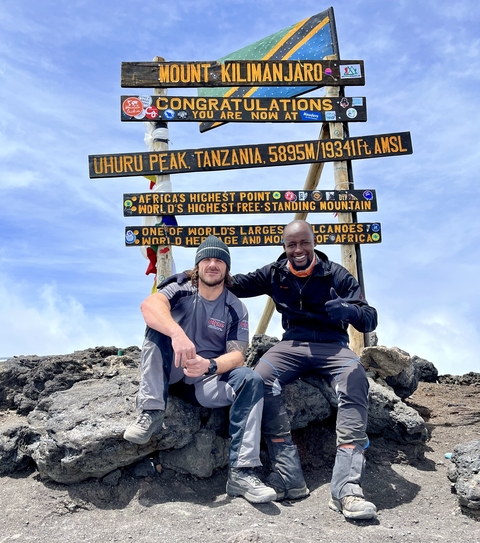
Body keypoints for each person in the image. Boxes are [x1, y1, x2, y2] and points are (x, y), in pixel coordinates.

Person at [228, 220, 378, 520]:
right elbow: (236, 284)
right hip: (293, 344)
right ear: (284, 247)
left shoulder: (335, 273)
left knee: (354, 377)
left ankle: (346, 489)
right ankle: (287, 477)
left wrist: (347, 311)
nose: (298, 250)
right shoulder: (275, 272)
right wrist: (194, 274)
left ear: (313, 242)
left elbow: (369, 318)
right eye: (291, 244)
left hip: (333, 345)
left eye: (304, 243)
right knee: (259, 378)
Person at [124, 235, 276, 504]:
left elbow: (238, 354)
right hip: (169, 373)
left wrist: (210, 365)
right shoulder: (181, 288)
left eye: (219, 260)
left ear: (227, 268)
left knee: (250, 380)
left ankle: (241, 473)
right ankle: (151, 412)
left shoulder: (235, 308)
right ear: (198, 266)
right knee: (156, 330)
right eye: (207, 259)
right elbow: (149, 306)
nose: (212, 264)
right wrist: (178, 334)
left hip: (202, 384)